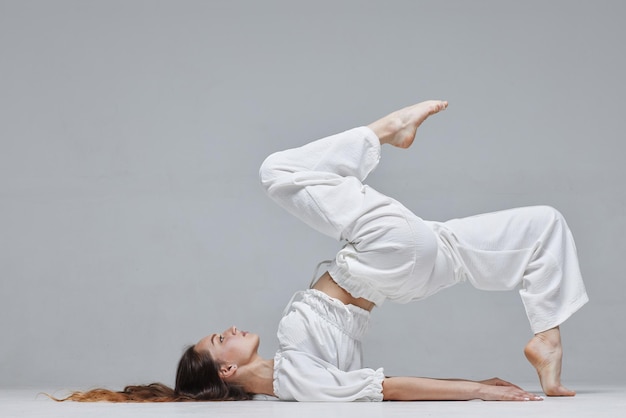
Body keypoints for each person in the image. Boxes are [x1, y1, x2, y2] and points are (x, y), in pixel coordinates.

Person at [57, 100, 588, 403]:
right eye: (222, 339)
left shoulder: (289, 370)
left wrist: (471, 386)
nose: (232, 329)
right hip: (380, 259)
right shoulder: (288, 377)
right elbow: (387, 387)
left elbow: (376, 384)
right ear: (225, 371)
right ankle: (387, 130)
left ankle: (546, 337)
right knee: (276, 172)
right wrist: (476, 391)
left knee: (543, 225)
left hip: (406, 269)